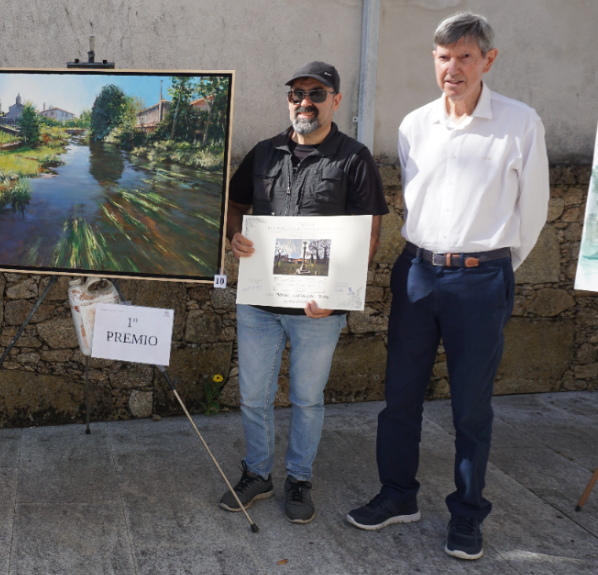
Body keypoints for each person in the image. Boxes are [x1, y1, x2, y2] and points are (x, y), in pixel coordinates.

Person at [346, 13, 549, 560]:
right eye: (443, 57)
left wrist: (491, 269)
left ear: (488, 59)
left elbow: (531, 215)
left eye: (464, 56)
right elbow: (416, 197)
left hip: (481, 279)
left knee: (471, 408)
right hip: (417, 272)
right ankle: (397, 495)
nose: (452, 68)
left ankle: (467, 513)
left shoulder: (520, 123)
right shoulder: (414, 125)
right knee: (400, 396)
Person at [221, 62, 388, 524]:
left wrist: (341, 295)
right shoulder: (263, 153)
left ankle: (299, 479)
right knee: (253, 396)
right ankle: (257, 474)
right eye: (296, 94)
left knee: (306, 399)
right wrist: (235, 237)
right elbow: (234, 205)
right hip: (259, 303)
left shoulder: (354, 158)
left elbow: (368, 233)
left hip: (319, 309)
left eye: (316, 93)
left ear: (335, 100)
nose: (305, 102)